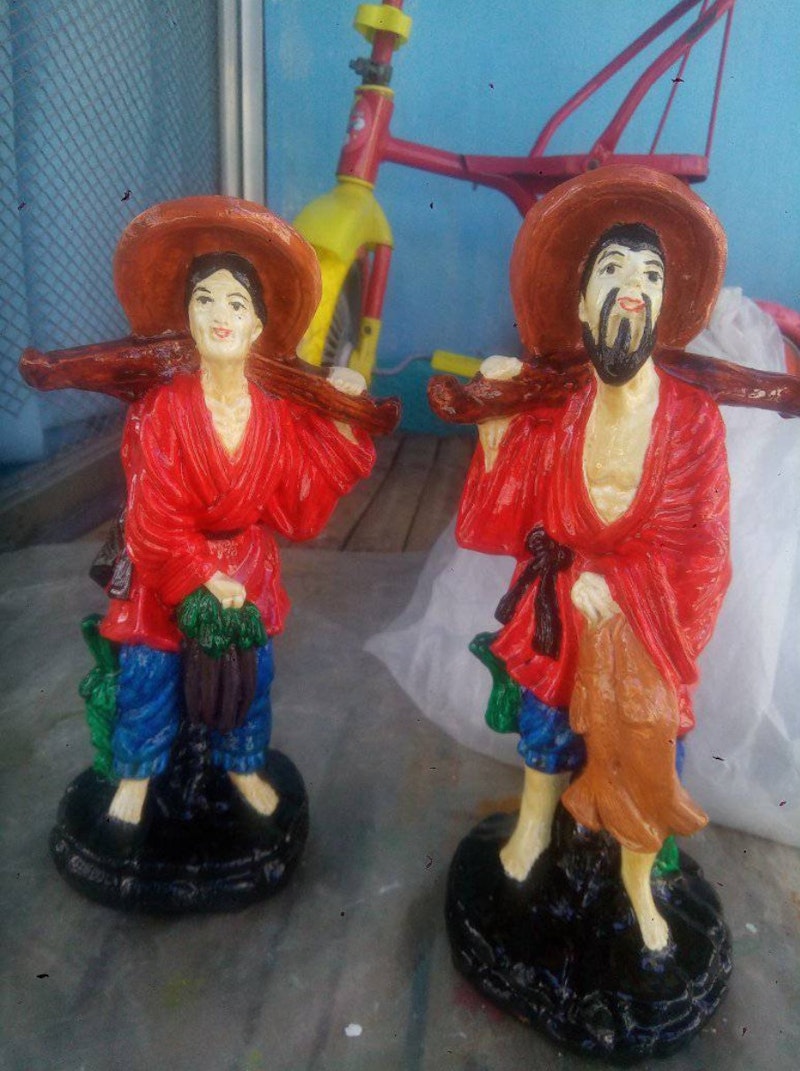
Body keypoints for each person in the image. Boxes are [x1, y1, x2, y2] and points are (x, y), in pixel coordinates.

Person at [454, 168, 731, 951]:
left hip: (646, 624)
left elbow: (704, 549)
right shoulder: (557, 410)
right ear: (582, 304)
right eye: (613, 270)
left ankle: (639, 877)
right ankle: (535, 823)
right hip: (560, 609)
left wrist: (627, 597)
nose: (633, 287)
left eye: (651, 275)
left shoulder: (693, 420)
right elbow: (498, 522)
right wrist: (496, 430)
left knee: (653, 739)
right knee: (545, 713)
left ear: (664, 305)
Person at [96, 200, 376, 826]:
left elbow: (297, 510)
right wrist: (201, 574)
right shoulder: (159, 411)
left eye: (236, 304)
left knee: (252, 672)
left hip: (246, 563)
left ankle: (242, 764)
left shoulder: (276, 415)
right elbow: (152, 513)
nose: (219, 315)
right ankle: (137, 775)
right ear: (187, 318)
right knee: (148, 670)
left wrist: (339, 423)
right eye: (204, 300)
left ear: (256, 328)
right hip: (166, 570)